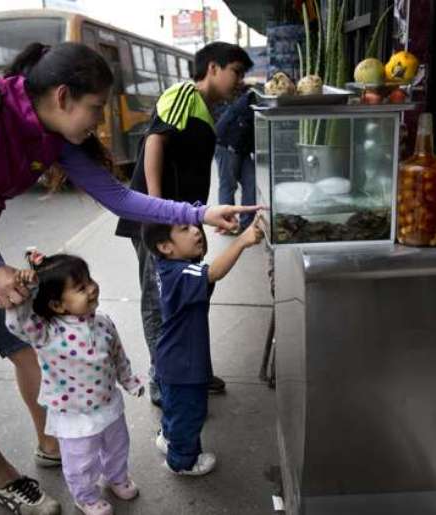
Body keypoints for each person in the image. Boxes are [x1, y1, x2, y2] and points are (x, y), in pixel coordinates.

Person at [0, 41, 257, 514]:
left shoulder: (52, 136)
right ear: (64, 95)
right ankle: (3, 477)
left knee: (27, 339)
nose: (98, 120)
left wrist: (202, 211)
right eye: (95, 108)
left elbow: (120, 199)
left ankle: (53, 443)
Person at [115, 42, 254, 407]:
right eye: (236, 71)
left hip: (184, 222)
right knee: (159, 301)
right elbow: (154, 142)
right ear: (213, 67)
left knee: (191, 297)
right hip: (158, 223)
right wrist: (158, 209)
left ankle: (193, 372)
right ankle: (164, 379)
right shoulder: (182, 94)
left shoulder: (209, 108)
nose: (239, 80)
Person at [6, 249, 142, 515]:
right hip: (73, 413)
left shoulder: (103, 323)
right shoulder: (46, 333)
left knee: (117, 445)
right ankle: (86, 496)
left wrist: (128, 380)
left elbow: (118, 355)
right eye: (81, 288)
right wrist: (23, 294)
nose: (92, 289)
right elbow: (18, 324)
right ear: (57, 305)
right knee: (80, 460)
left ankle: (116, 477)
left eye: (90, 281)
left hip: (108, 403)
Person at [141, 217, 263, 475]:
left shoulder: (169, 267)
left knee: (175, 407)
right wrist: (242, 240)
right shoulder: (181, 272)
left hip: (171, 359)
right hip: (184, 364)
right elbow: (213, 272)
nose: (196, 231)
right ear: (165, 247)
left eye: (194, 226)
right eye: (185, 229)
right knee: (190, 412)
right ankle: (182, 462)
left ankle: (168, 437)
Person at [214, 87, 257, 232]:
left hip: (241, 148)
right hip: (226, 146)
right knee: (228, 185)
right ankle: (226, 224)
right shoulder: (251, 103)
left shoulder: (250, 102)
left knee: (251, 181)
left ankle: (247, 224)